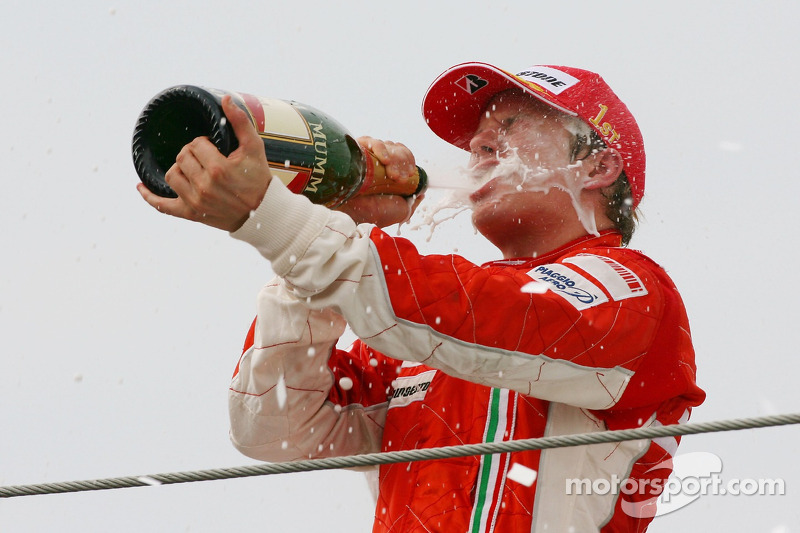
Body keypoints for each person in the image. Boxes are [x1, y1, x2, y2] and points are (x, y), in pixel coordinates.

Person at [138, 62, 706, 532]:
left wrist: (276, 218)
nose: (481, 141)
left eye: (511, 123)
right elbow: (272, 423)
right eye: (480, 132)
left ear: (599, 166)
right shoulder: (423, 336)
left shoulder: (629, 288)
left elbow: (487, 316)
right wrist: (329, 223)